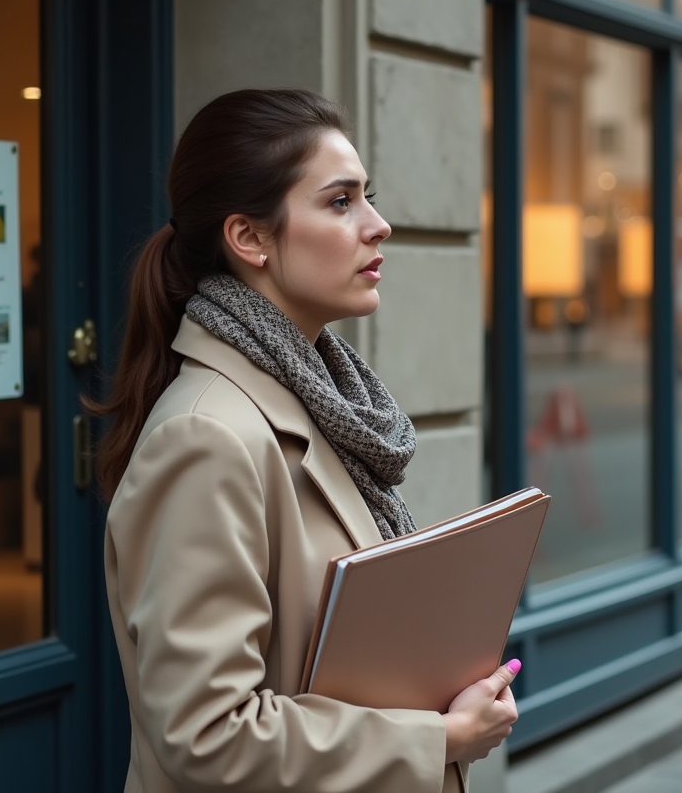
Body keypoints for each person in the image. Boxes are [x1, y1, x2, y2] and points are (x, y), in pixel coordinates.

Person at [91, 89, 520, 793]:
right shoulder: (206, 437)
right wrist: (439, 737)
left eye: (368, 197)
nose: (378, 225)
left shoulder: (322, 406)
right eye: (341, 202)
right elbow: (206, 734)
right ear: (249, 238)